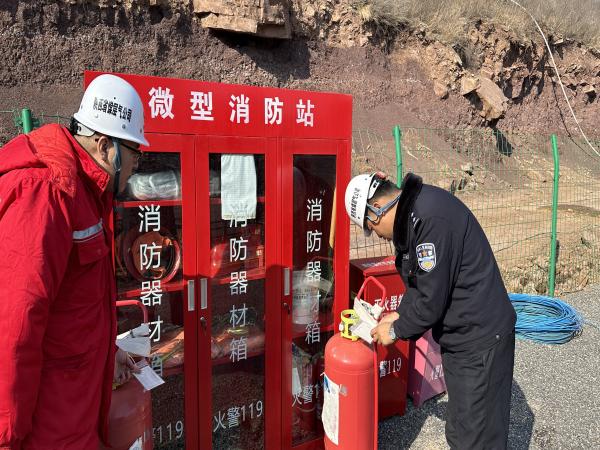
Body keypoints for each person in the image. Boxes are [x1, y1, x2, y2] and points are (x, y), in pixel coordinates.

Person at [0, 74, 149, 449]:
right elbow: (14, 327)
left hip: (76, 422)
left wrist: (108, 352)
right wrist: (7, 438)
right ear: (104, 145)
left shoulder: (86, 194)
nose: (136, 167)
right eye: (135, 154)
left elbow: (73, 308)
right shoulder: (46, 193)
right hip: (47, 432)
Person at [345, 171, 517, 450]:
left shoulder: (429, 220)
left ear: (376, 211)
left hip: (481, 337)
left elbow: (431, 301)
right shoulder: (416, 214)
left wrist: (397, 330)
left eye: (370, 228)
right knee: (461, 428)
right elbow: (419, 285)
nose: (375, 233)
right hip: (462, 338)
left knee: (478, 436)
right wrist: (399, 314)